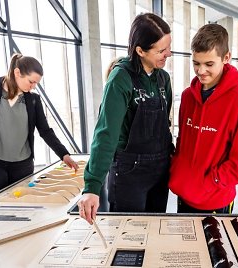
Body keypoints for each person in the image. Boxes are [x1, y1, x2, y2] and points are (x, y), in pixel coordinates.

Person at [78, 13, 173, 224]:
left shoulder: (163, 79)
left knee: (156, 230)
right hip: (130, 172)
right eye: (161, 50)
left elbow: (164, 125)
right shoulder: (120, 78)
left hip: (159, 170)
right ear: (140, 51)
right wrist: (92, 186)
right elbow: (106, 134)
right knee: (129, 234)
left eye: (168, 47)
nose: (168, 54)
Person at [168, 24, 238, 213]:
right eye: (196, 63)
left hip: (215, 198)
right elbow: (183, 143)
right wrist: (178, 170)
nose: (201, 71)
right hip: (184, 194)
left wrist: (211, 181)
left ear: (226, 58)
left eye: (209, 64)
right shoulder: (187, 97)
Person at [0, 53, 78, 198]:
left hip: (23, 167)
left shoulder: (33, 100)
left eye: (36, 83)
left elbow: (45, 131)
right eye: (31, 82)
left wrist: (64, 155)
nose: (34, 87)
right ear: (17, 72)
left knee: (23, 208)